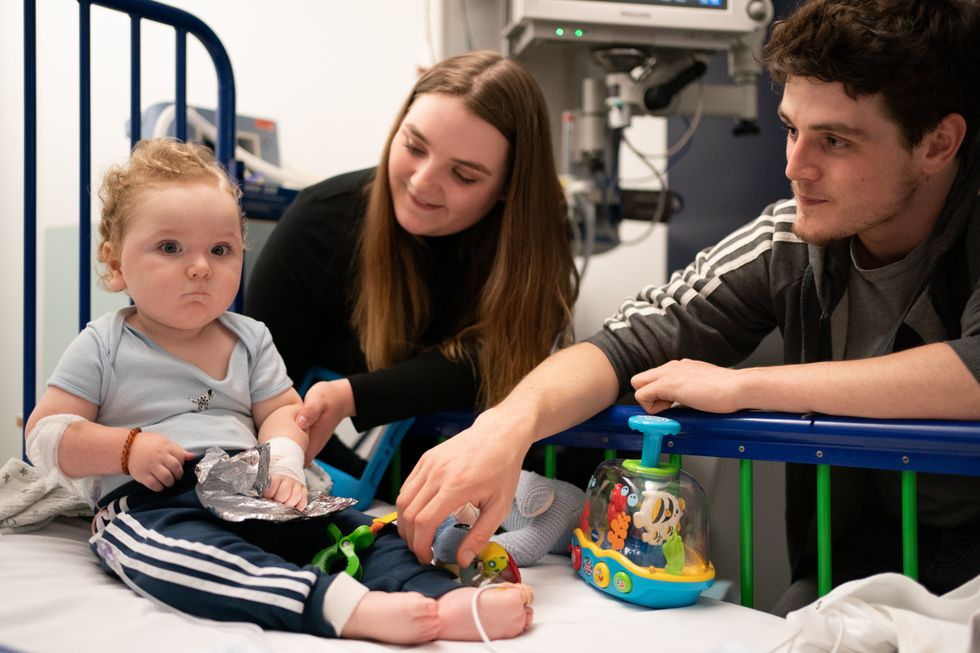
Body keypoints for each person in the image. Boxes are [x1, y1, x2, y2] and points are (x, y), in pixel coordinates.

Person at [396, 0, 980, 615]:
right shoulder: (791, 240)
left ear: (937, 144)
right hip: (872, 551)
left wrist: (746, 386)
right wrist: (503, 430)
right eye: (790, 129)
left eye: (835, 140)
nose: (795, 167)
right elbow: (625, 343)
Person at [25, 138, 533, 644]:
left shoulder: (250, 338)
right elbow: (45, 432)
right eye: (170, 247)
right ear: (115, 264)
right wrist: (126, 447)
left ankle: (442, 599)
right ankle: (338, 607)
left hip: (254, 487)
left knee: (362, 529)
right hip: (154, 503)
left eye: (221, 250)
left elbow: (284, 412)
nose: (201, 266)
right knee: (187, 558)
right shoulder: (104, 344)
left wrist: (285, 463)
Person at [244, 50, 578, 478]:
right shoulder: (321, 223)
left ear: (508, 189)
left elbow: (508, 350)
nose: (422, 182)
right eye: (414, 146)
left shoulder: (534, 239)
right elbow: (258, 385)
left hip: (482, 483)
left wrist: (355, 395)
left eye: (464, 175)